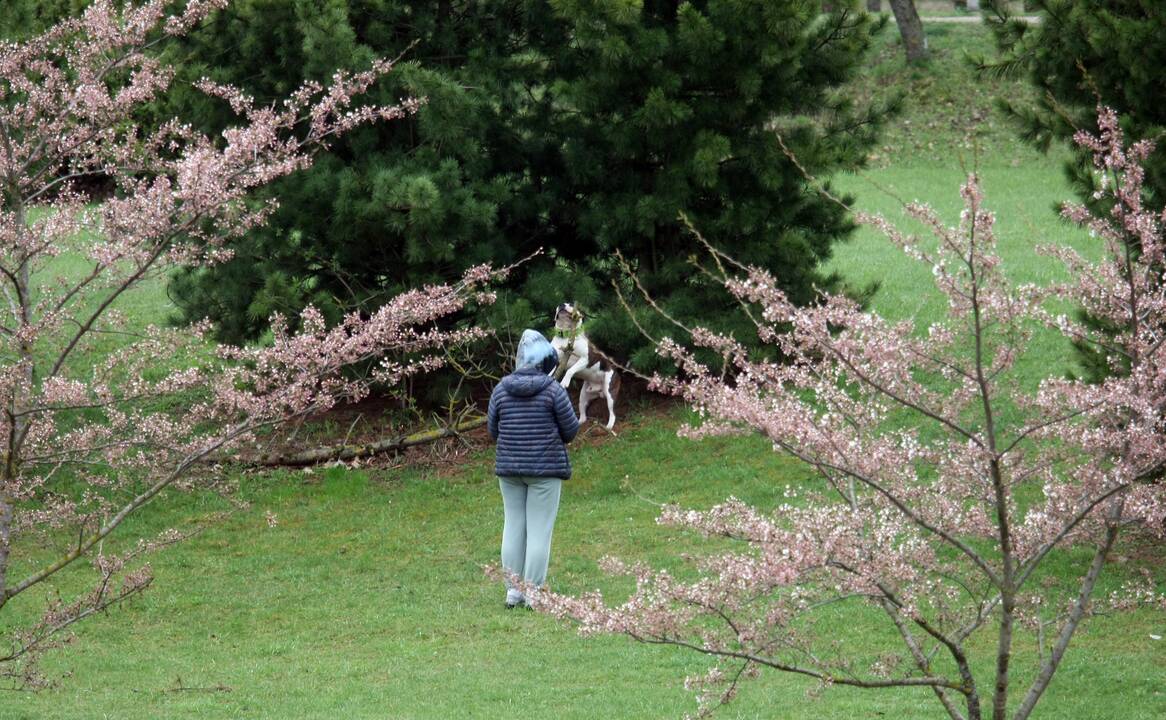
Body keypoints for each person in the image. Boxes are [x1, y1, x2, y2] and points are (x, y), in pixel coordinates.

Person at [487, 329, 580, 608]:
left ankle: (513, 592)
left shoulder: (501, 389)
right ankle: (534, 594)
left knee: (513, 526)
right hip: (545, 470)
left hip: (509, 469)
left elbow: (493, 430)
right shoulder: (553, 391)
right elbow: (571, 430)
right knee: (539, 531)